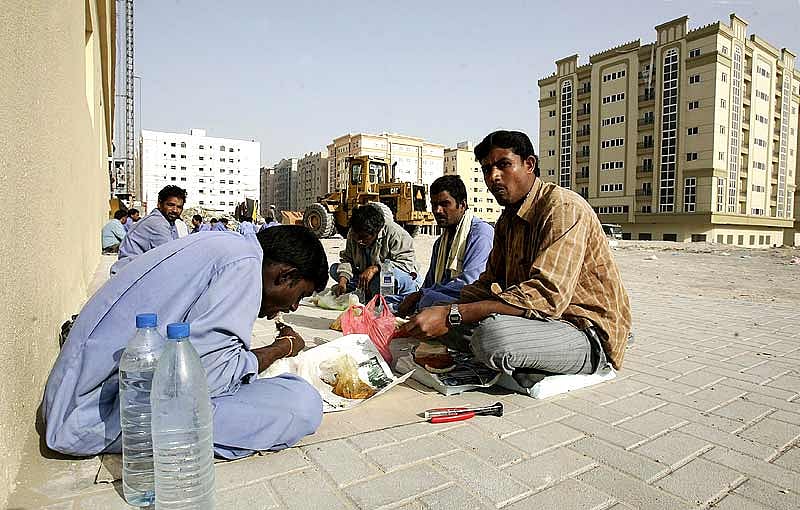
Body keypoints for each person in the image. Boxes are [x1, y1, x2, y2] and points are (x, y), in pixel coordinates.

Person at [43, 226, 329, 459]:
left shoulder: (230, 247)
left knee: (286, 388)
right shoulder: (245, 270)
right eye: (300, 296)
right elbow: (202, 382)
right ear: (285, 275)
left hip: (74, 399)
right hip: (93, 418)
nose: (293, 308)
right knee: (302, 403)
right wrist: (281, 348)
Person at [399, 130, 631, 385]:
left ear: (529, 164)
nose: (493, 176)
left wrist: (453, 314)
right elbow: (487, 284)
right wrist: (436, 307)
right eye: (487, 169)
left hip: (580, 328)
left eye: (503, 165)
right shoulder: (506, 221)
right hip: (536, 321)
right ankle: (524, 359)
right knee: (433, 312)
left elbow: (546, 296)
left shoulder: (562, 208)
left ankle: (576, 359)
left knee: (491, 337)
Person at [397, 175, 494, 316]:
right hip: (443, 299)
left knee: (429, 300)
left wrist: (422, 295)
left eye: (445, 204)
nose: (437, 210)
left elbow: (470, 284)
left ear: (462, 205)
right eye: (434, 205)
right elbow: (429, 283)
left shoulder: (481, 234)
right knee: (397, 300)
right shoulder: (439, 243)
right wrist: (417, 296)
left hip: (471, 304)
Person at [331, 204, 420, 306]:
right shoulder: (353, 233)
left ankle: (369, 293)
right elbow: (347, 259)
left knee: (377, 284)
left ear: (376, 232)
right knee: (334, 270)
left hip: (390, 278)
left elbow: (406, 265)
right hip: (365, 278)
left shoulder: (397, 234)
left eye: (364, 237)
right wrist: (343, 281)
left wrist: (376, 268)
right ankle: (361, 290)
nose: (359, 241)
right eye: (357, 237)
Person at [111, 185, 186, 275]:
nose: (175, 210)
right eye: (170, 205)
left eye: (179, 207)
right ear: (159, 204)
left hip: (138, 271)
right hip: (129, 276)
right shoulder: (157, 223)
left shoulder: (169, 221)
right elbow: (169, 259)